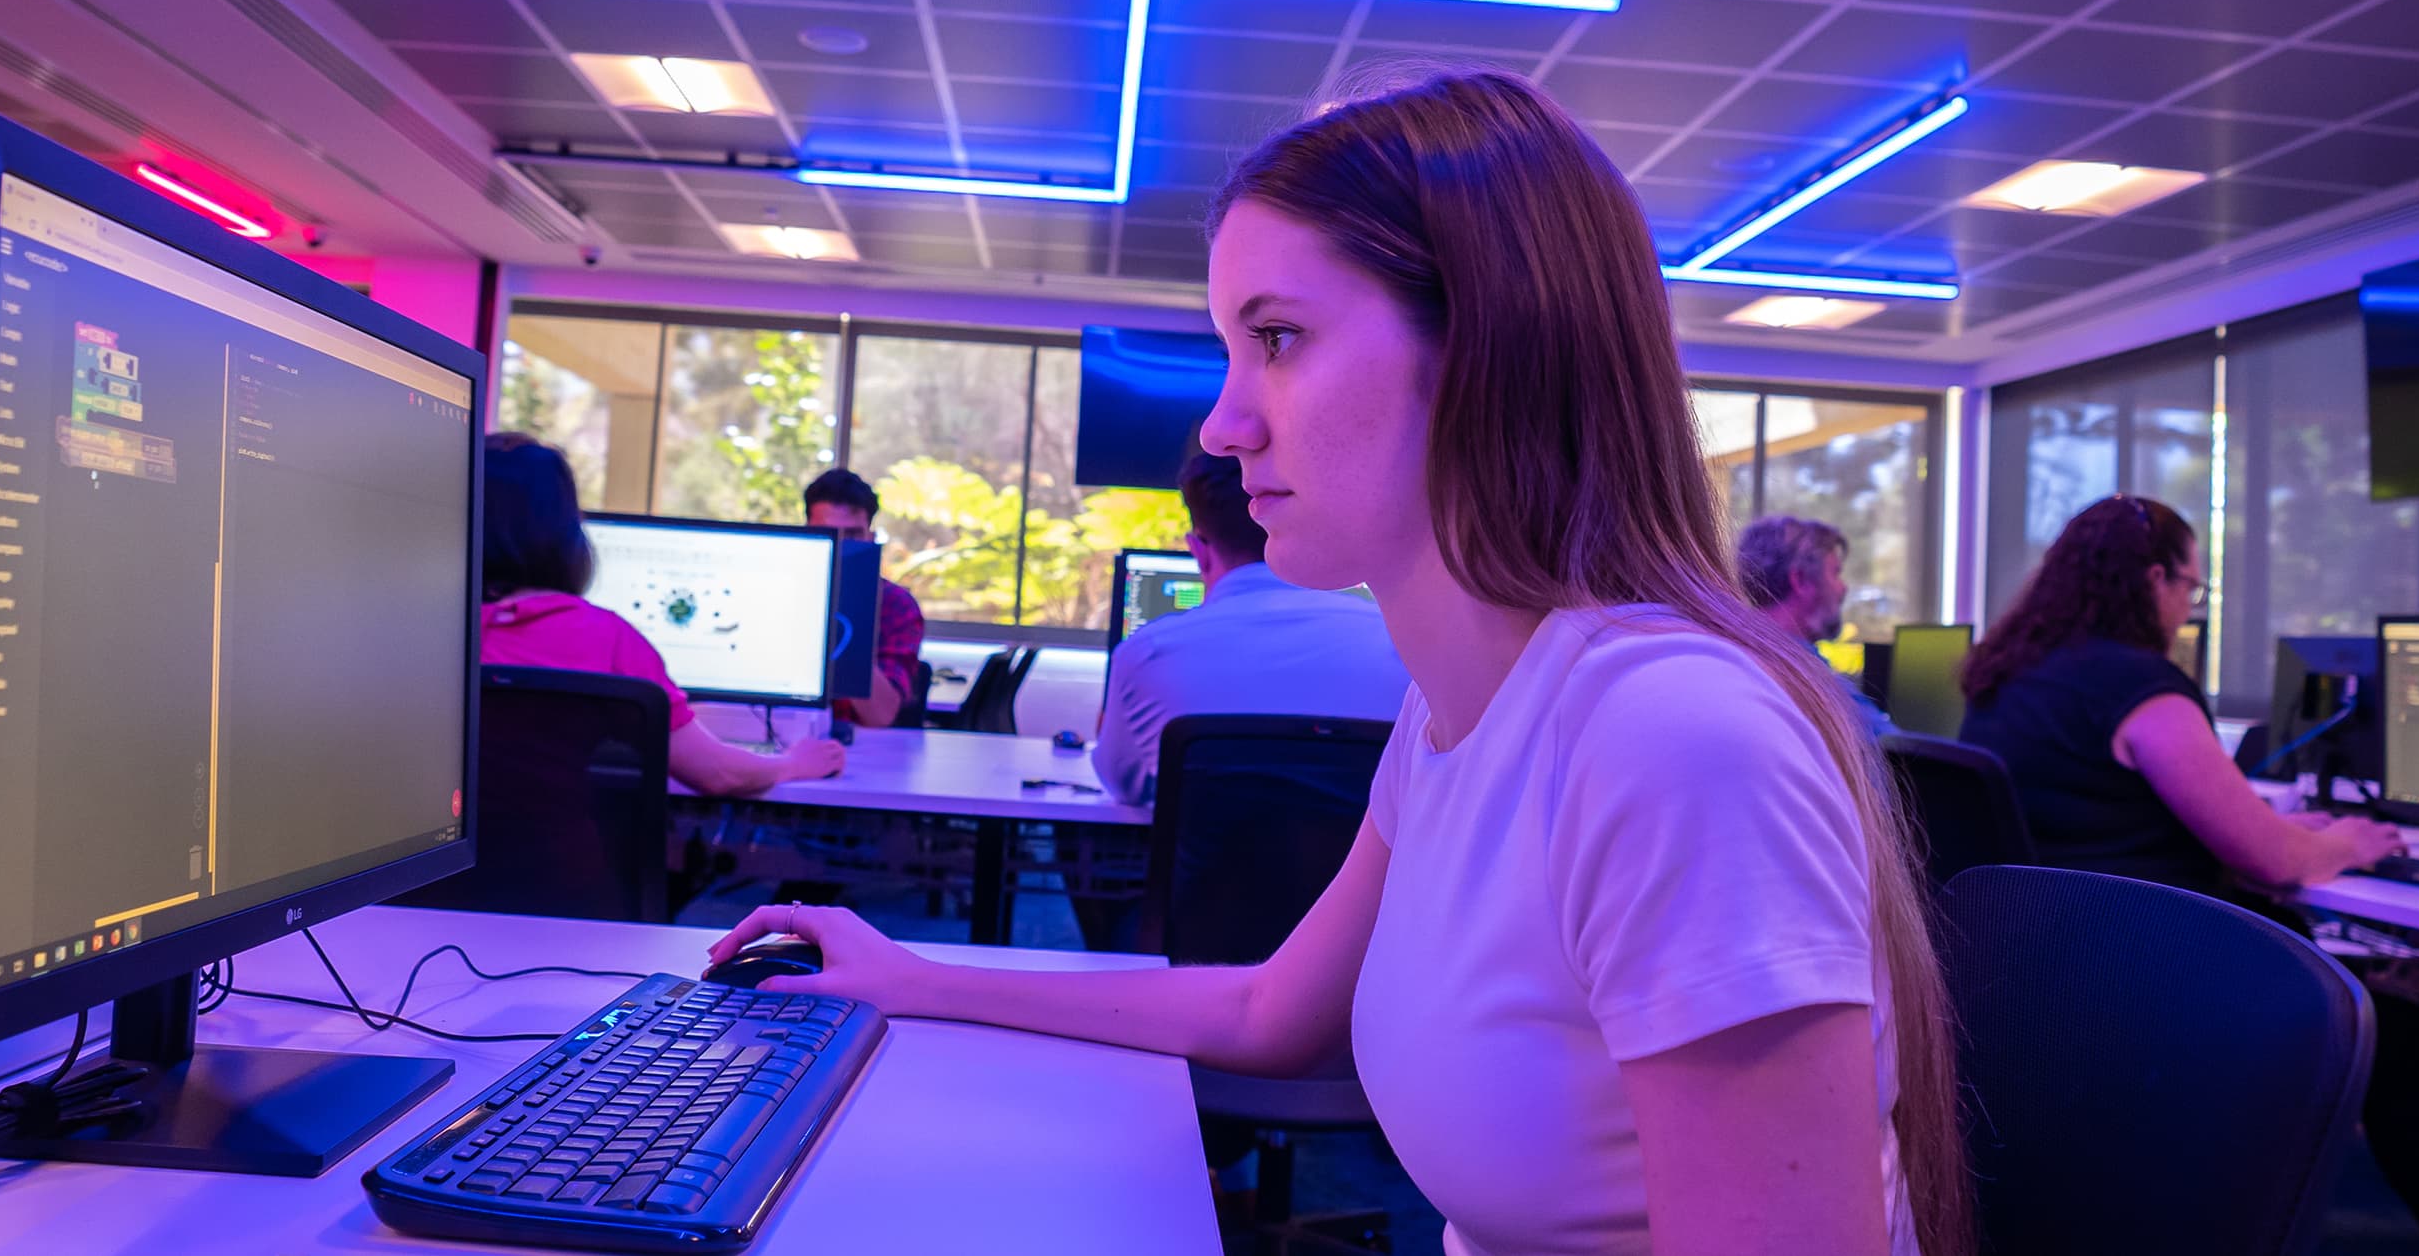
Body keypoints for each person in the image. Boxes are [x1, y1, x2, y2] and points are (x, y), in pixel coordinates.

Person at [711, 68, 1963, 1256]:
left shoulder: (1674, 738)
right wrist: (915, 979)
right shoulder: (1452, 716)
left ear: (1488, 347)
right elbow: (1266, 1010)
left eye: (1280, 337)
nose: (1221, 422)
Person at [1957, 493, 2419, 1255]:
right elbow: (2268, 861)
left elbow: (2131, 817)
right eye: (2192, 589)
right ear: (2155, 579)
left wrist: (2295, 830)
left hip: (2049, 966)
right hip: (2157, 967)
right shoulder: (2142, 689)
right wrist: (2350, 841)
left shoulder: (2014, 676)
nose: (2188, 610)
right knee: (2403, 1040)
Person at [478, 433, 842, 796]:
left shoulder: (437, 630)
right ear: (565, 531)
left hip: (441, 853)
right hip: (561, 851)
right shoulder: (607, 638)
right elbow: (718, 774)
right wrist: (793, 763)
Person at [1091, 451, 1409, 805]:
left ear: (1199, 551)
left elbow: (1124, 789)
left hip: (1210, 861)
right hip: (1373, 862)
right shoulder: (1401, 644)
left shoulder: (1146, 656)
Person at [1736, 514, 1893, 738]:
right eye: (1836, 573)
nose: (1843, 588)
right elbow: (1903, 751)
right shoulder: (1812, 682)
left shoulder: (1730, 655)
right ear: (1800, 580)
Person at [802, 469, 926, 728]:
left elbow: (880, 716)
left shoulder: (896, 605)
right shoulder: (778, 591)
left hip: (858, 748)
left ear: (869, 538)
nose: (840, 546)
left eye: (852, 536)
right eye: (828, 533)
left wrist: (847, 609)